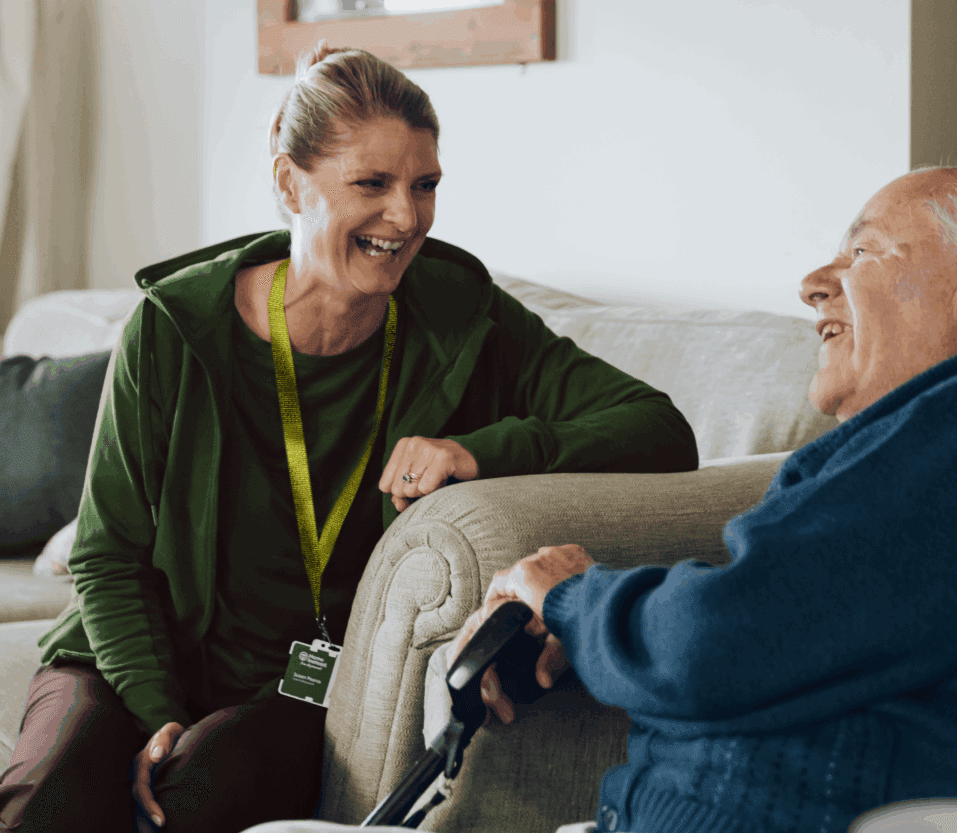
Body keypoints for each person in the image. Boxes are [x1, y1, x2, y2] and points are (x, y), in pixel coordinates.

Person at [0, 44, 697, 833]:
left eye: (425, 184)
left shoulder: (463, 315)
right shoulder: (173, 330)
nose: (406, 217)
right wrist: (156, 710)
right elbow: (108, 553)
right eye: (372, 183)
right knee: (44, 802)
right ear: (290, 181)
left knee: (190, 800)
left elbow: (658, 428)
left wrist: (481, 451)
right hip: (122, 659)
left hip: (296, 687)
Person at [447, 162, 957, 833]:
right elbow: (784, 624)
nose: (812, 285)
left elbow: (716, 641)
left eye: (861, 251)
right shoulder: (928, 446)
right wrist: (599, 630)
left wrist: (570, 596)